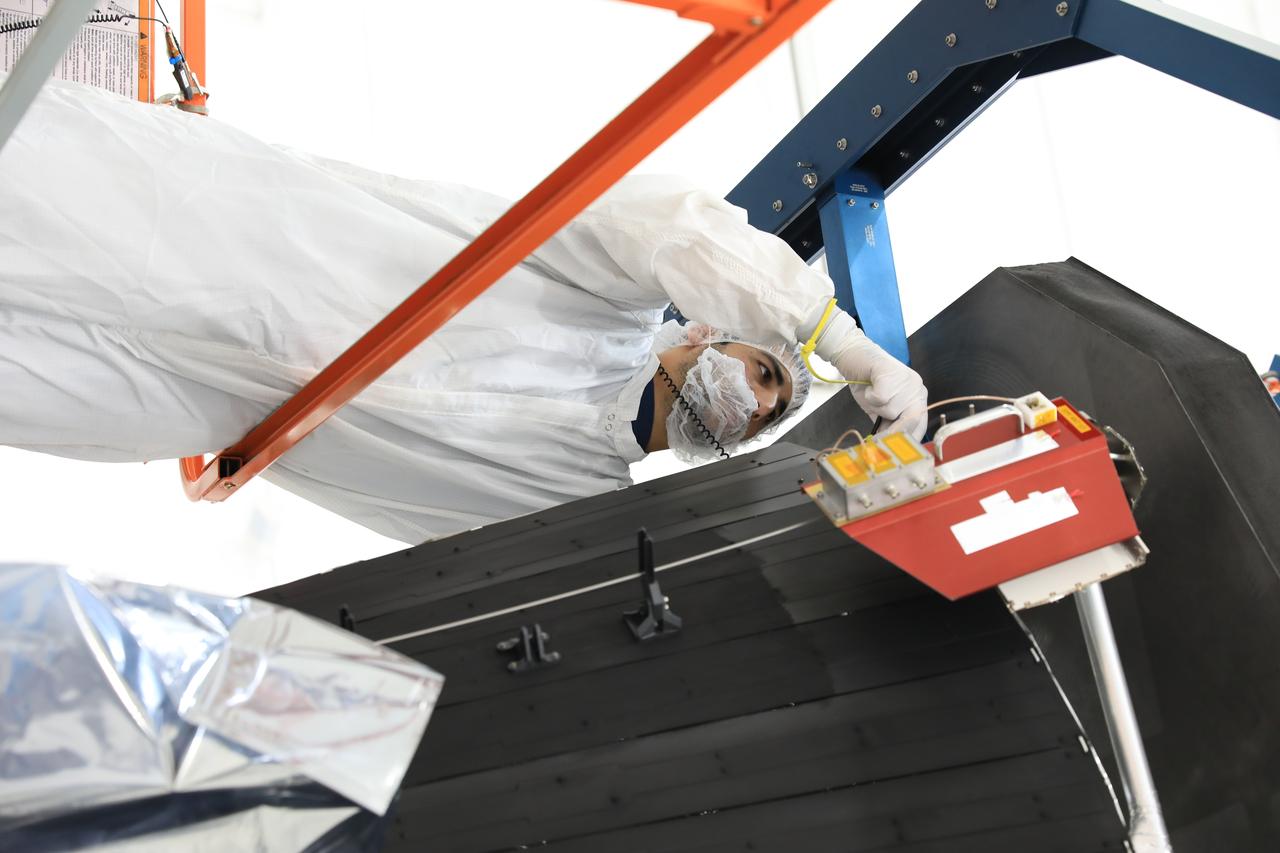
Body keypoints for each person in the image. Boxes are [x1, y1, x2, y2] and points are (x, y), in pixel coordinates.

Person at [0, 75, 927, 543]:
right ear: (705, 328)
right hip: (222, 235)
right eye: (767, 370)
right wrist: (834, 338)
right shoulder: (608, 294)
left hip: (172, 394)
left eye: (768, 416)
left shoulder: (573, 505)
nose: (761, 401)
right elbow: (676, 226)